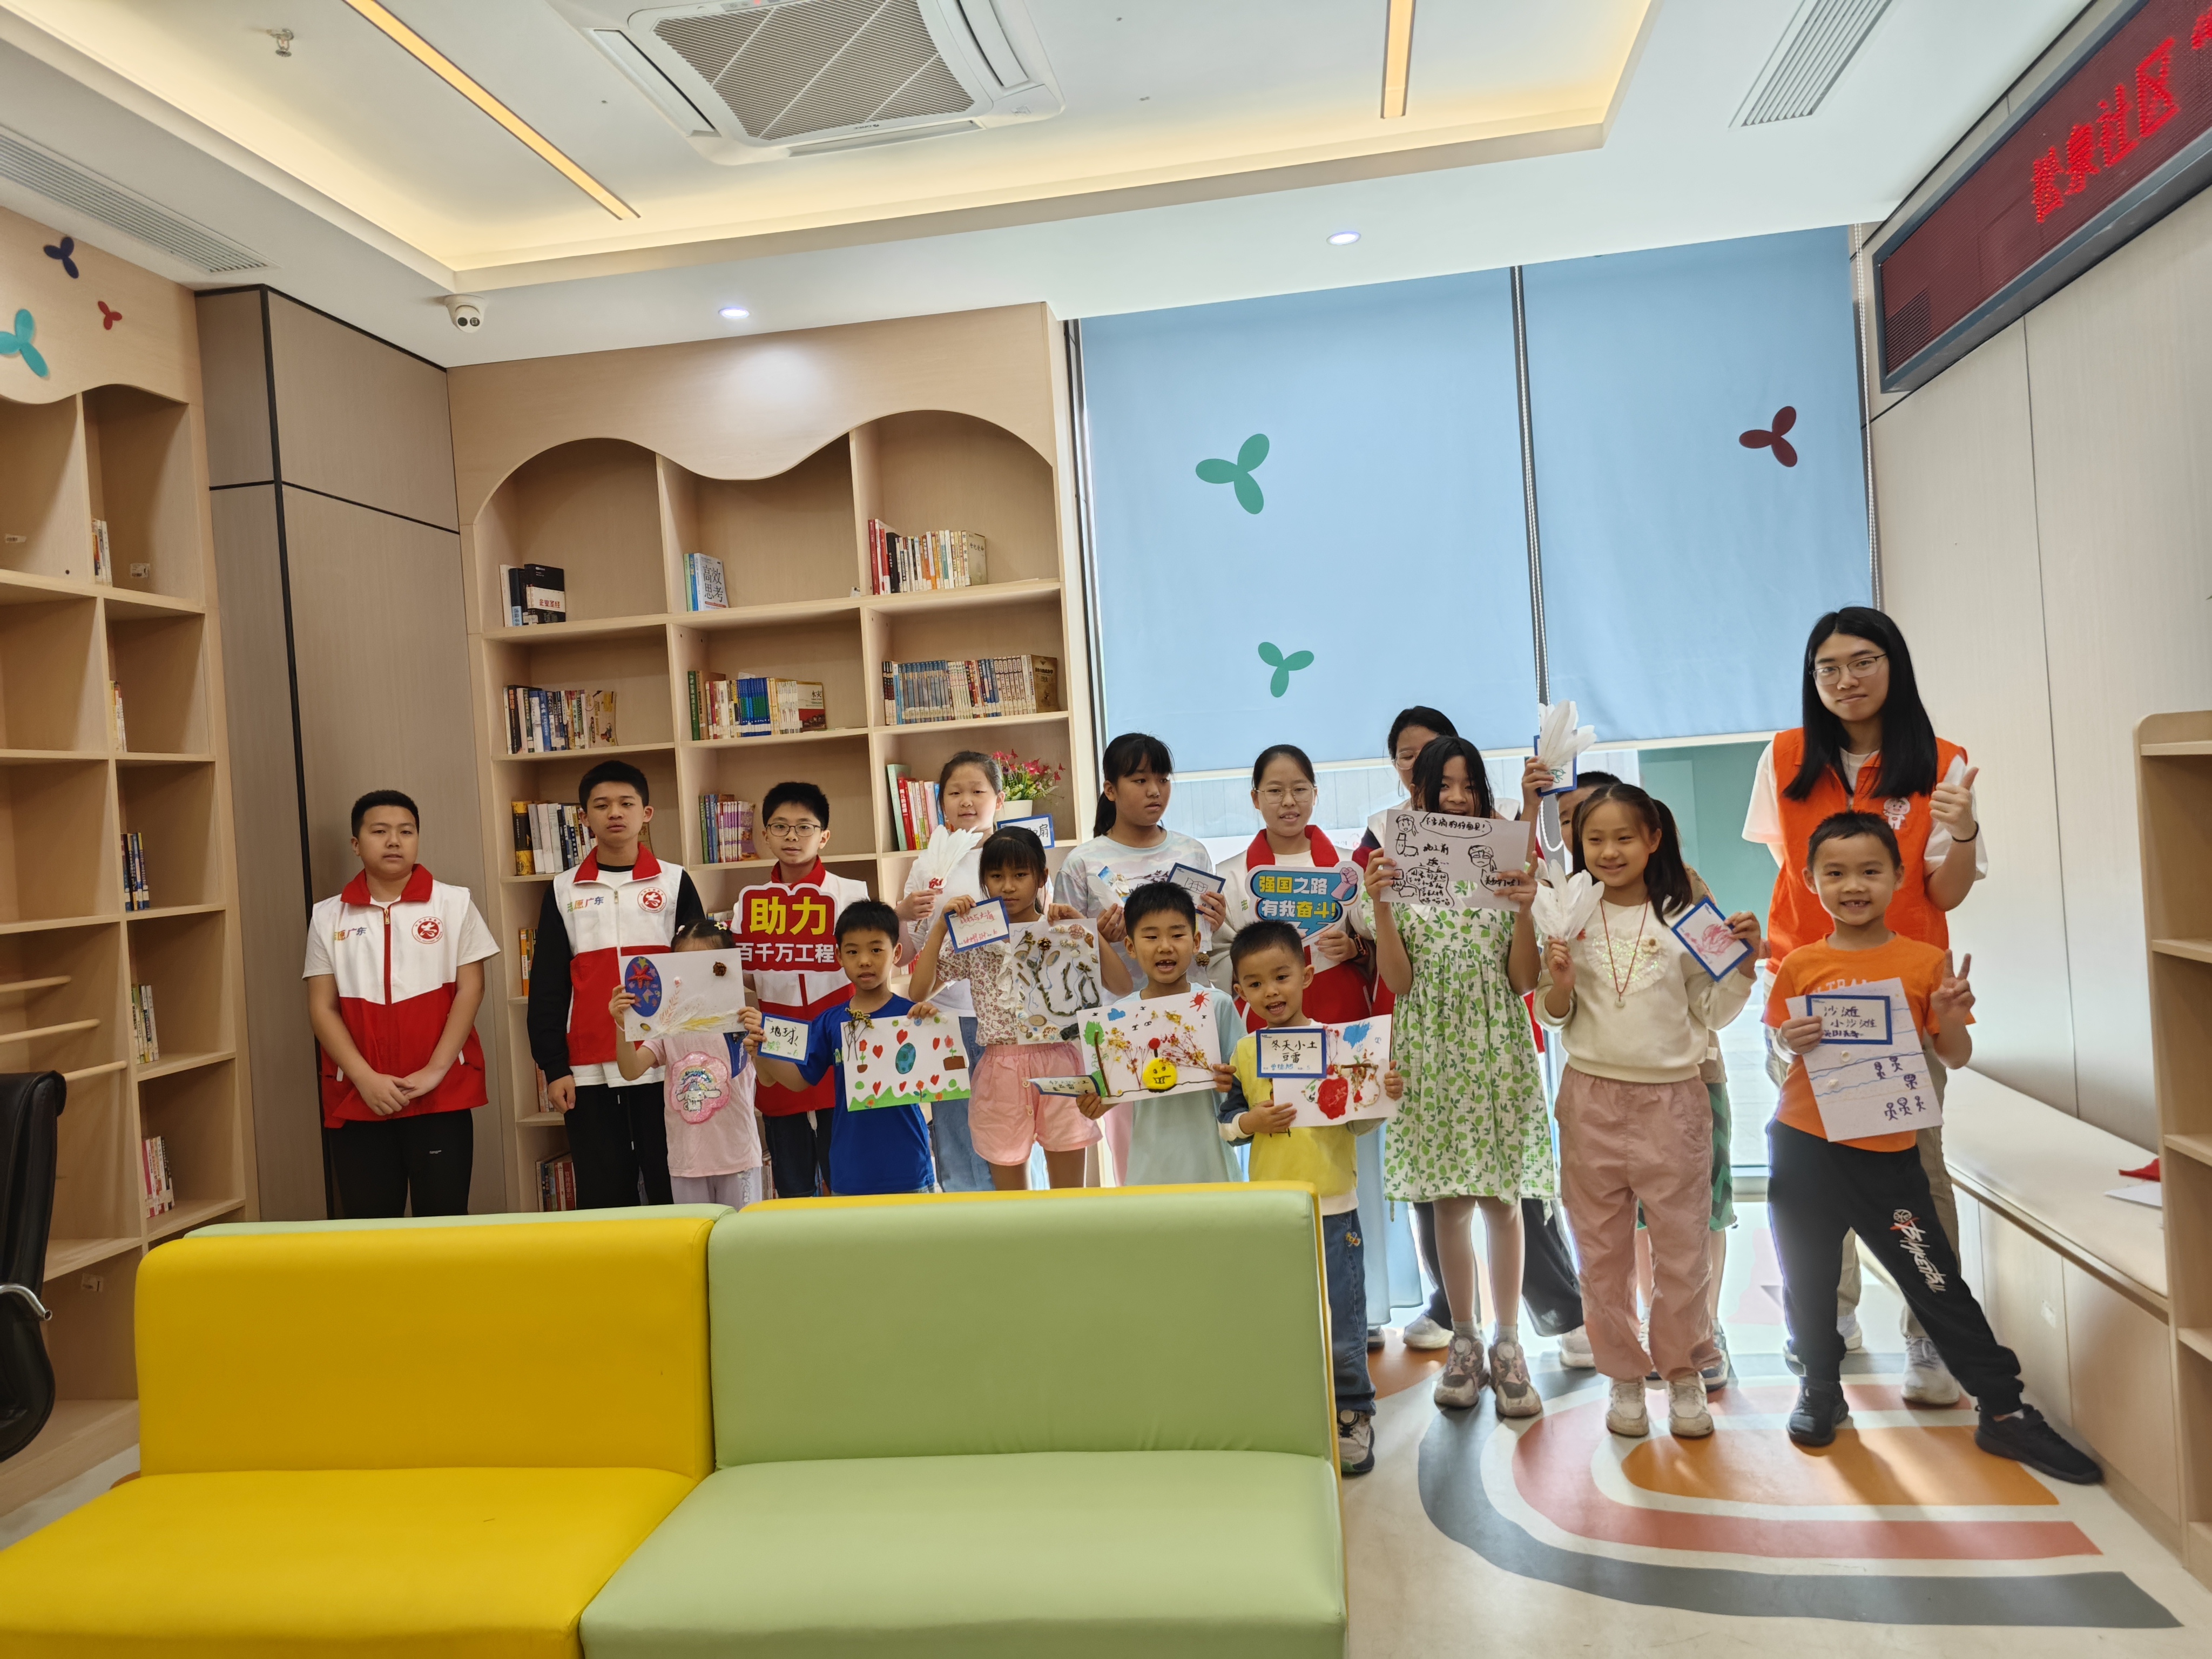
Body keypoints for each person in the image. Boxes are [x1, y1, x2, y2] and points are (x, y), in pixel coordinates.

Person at [1765, 813, 2098, 1483]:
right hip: (1804, 1146)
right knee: (1809, 1278)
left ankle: (2003, 1411)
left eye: (1869, 871)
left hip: (1888, 1153)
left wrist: (1946, 1015)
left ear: (1897, 877)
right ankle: (1821, 1390)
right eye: (1835, 873)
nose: (1853, 886)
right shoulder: (1801, 963)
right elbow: (1780, 1045)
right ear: (1809, 881)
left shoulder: (1923, 962)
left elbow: (1955, 1054)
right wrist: (1785, 1041)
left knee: (1935, 1280)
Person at [1743, 608, 1984, 1402]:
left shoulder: (1942, 762)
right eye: (1828, 667)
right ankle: (1829, 1321)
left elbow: (1945, 889)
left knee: (1917, 1168)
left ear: (1893, 667)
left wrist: (1965, 832)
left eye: (1862, 662)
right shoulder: (1783, 756)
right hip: (1807, 995)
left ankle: (1931, 1334)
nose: (1845, 680)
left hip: (1903, 995)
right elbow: (1794, 874)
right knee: (1811, 1168)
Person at [1521, 783, 1758, 1440]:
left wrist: (1741, 967)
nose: (1608, 851)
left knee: (1682, 1251)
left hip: (1673, 1100)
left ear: (1654, 839)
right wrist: (1558, 986)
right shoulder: (1566, 914)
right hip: (1590, 1098)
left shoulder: (1688, 913)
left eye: (1624, 837)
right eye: (1594, 839)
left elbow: (1712, 1012)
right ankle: (1623, 1379)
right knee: (1601, 1254)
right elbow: (1553, 1015)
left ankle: (1683, 1375)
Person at [1354, 710, 1588, 1367]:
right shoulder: (1398, 866)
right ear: (1419, 791)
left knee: (1502, 1201)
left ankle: (1507, 1341)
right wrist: (1381, 906)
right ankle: (1465, 1336)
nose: (1456, 797)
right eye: (1443, 785)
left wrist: (1524, 910)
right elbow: (1399, 983)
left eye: (1468, 785)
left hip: (1497, 1046)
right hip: (1429, 1046)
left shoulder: (1507, 862)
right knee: (1449, 1204)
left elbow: (1520, 979)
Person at [1221, 919, 1404, 1476]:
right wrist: (1250, 1121)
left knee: (1345, 1320)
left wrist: (1382, 1096)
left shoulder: (1340, 1046)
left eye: (1281, 977)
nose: (1271, 992)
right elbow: (1227, 1125)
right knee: (1281, 1313)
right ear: (1240, 992)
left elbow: (1359, 1125)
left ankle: (1352, 1412)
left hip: (1333, 1206)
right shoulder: (1245, 1053)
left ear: (1306, 975)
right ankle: (1289, 1407)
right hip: (1273, 1213)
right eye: (1255, 984)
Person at [304, 790, 496, 1218]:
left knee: (444, 1226)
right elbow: (322, 1008)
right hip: (359, 1096)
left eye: (406, 832)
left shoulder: (454, 903)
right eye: (380, 832)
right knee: (370, 1232)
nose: (394, 841)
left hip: (440, 1095)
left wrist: (435, 1071)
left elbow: (471, 990)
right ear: (356, 844)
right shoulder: (328, 916)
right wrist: (364, 1078)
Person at [527, 761, 705, 1208]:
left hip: (665, 1059)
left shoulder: (674, 881)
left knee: (671, 1180)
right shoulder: (563, 889)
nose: (615, 813)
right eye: (602, 805)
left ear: (647, 813)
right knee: (603, 1188)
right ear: (584, 817)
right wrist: (554, 1067)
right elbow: (547, 985)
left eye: (626, 803)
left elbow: (701, 970)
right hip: (587, 1065)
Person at [911, 828, 1130, 1190]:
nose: (1008, 886)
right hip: (1000, 1069)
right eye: (996, 876)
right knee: (1013, 1202)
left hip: (1059, 1062)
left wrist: (1083, 927)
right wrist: (939, 928)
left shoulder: (1059, 929)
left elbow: (1121, 986)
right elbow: (919, 991)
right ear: (984, 881)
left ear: (1042, 877)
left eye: (1020, 874)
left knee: (1069, 1196)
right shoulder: (975, 937)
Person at [1052, 733, 1226, 1183]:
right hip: (1122, 1027)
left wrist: (1217, 923)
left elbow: (1202, 946)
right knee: (1137, 1159)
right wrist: (1098, 939)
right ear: (1110, 789)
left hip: (1191, 1018)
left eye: (1163, 780)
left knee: (1204, 1145)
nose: (1155, 791)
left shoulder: (1192, 852)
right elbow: (1066, 966)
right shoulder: (1082, 863)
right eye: (1140, 780)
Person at [752, 900, 939, 1197]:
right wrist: (762, 1048)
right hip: (850, 1171)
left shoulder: (912, 1016)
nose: (864, 961)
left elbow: (936, 1080)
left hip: (908, 1167)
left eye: (876, 950)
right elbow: (800, 1080)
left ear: (896, 953)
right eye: (853, 952)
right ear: (838, 956)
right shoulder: (830, 1022)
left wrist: (930, 1027)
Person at [744, 781, 873, 1200]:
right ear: (765, 835)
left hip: (839, 1037)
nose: (792, 837)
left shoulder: (852, 894)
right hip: (777, 1038)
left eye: (804, 827)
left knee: (848, 1176)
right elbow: (742, 974)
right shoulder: (750, 904)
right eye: (780, 827)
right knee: (793, 1181)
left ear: (824, 836)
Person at [1076, 882, 1243, 1185]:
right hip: (1148, 1168)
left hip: (1212, 1164)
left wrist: (1231, 1082)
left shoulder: (1216, 1004)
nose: (1165, 946)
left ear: (1196, 941)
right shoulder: (1120, 1017)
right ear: (1130, 947)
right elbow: (1109, 1093)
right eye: (1151, 937)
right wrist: (1095, 1103)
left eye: (1177, 935)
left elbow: (1246, 1082)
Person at [608, 917, 764, 1209]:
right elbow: (631, 1070)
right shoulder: (668, 1027)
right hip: (687, 1164)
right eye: (684, 964)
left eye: (706, 965)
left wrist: (759, 1038)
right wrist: (622, 1025)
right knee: (695, 1235)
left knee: (741, 1235)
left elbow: (767, 1078)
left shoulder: (744, 1021)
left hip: (739, 1159)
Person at [1210, 744, 1366, 1023]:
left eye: (1300, 789)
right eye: (1275, 791)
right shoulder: (1230, 875)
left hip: (1342, 1004)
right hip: (1265, 1012)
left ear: (1315, 794)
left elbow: (1375, 936)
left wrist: (1355, 949)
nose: (1289, 801)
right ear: (1255, 798)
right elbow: (1218, 957)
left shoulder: (1348, 866)